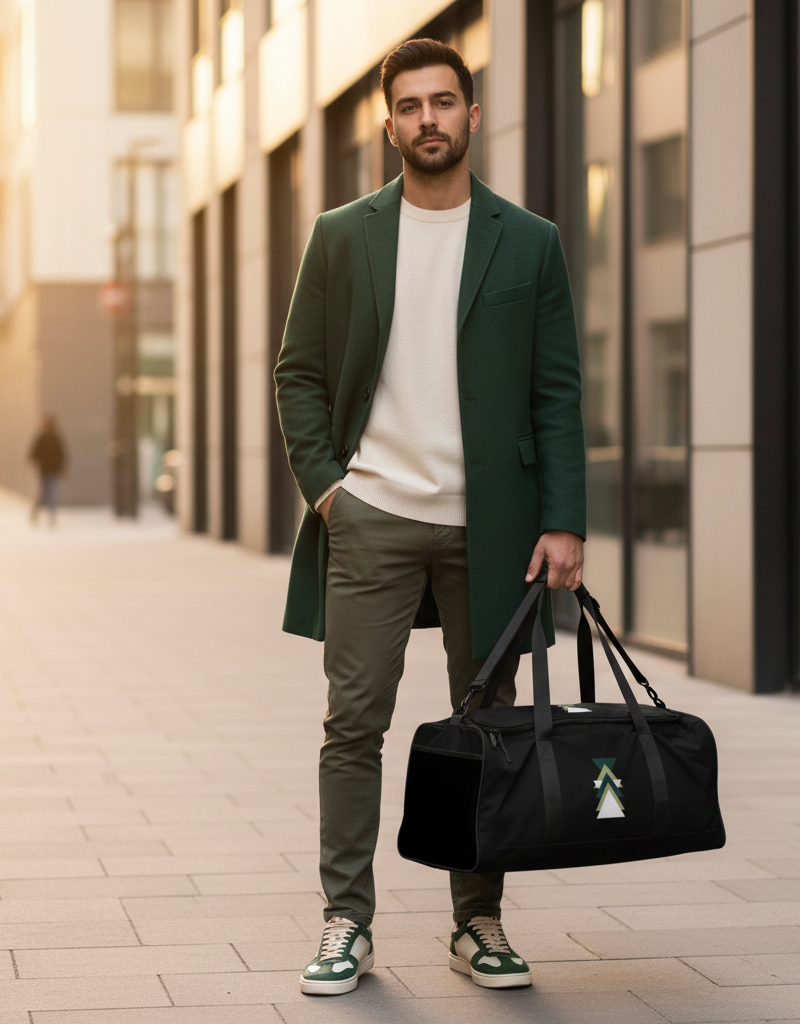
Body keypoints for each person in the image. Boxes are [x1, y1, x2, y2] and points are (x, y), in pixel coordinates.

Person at [275, 38, 586, 997]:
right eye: (409, 107)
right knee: (352, 724)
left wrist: (564, 519)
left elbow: (557, 394)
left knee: (486, 725)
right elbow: (300, 373)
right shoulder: (343, 234)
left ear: (473, 114)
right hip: (371, 514)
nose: (427, 121)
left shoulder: (527, 240)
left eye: (443, 102)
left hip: (489, 528)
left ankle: (477, 921)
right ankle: (345, 922)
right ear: (389, 123)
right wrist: (330, 486)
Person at [29, 414, 66, 526]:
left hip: (53, 470)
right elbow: (33, 454)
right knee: (43, 494)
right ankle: (36, 513)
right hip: (44, 470)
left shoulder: (56, 438)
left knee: (52, 494)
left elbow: (62, 455)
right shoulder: (42, 438)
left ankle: (51, 515)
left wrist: (61, 468)